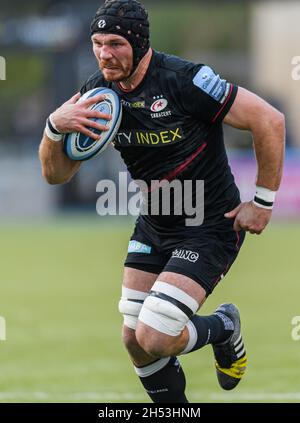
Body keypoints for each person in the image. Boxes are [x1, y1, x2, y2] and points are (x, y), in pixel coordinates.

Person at [39, 0, 285, 403]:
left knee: (155, 335)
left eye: (115, 43)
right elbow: (56, 174)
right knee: (134, 340)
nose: (104, 53)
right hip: (155, 223)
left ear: (139, 43)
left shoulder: (185, 80)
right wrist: (54, 127)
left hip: (208, 225)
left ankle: (223, 326)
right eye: (97, 43)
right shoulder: (95, 94)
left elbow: (269, 120)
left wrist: (263, 201)